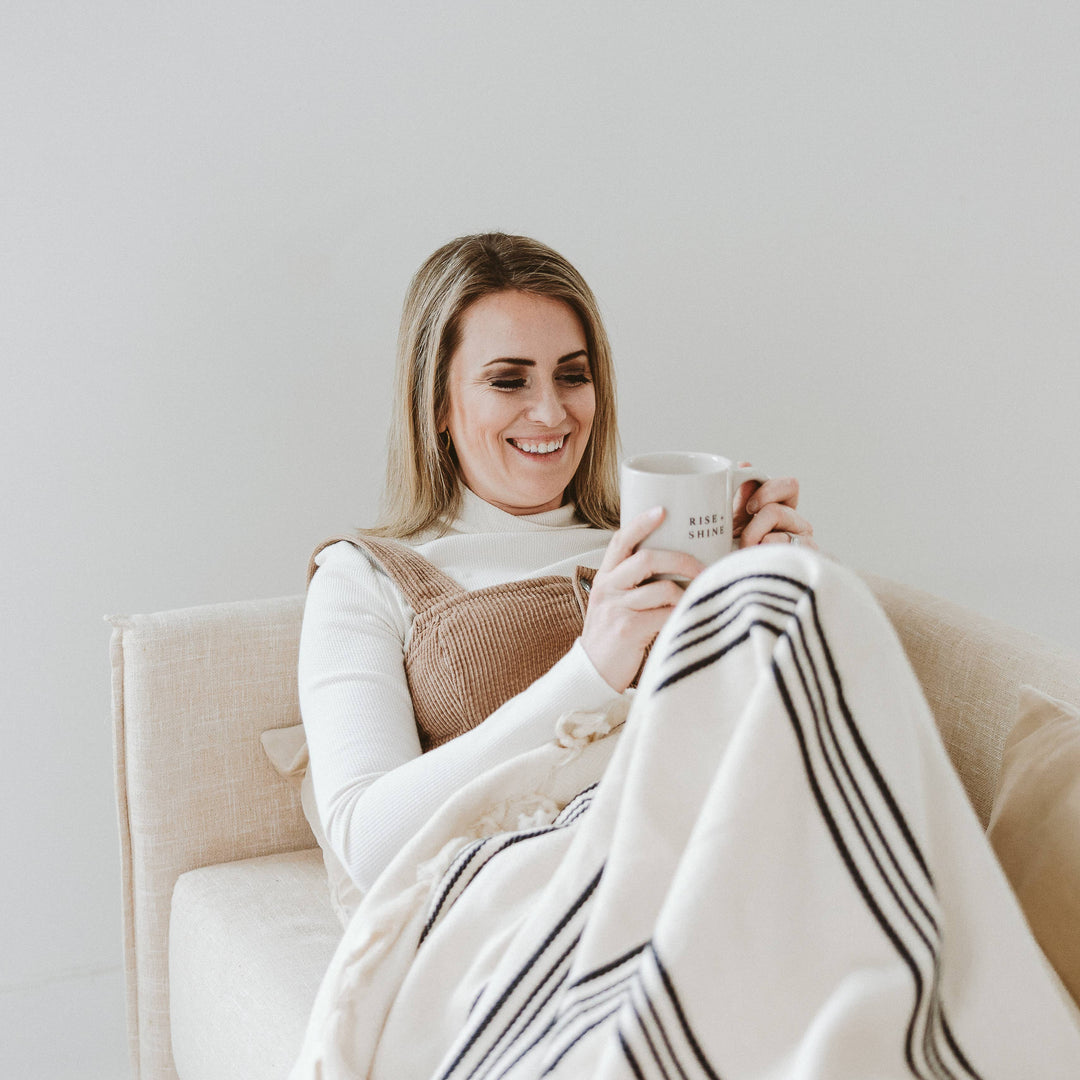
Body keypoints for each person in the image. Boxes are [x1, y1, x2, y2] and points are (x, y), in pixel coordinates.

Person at [295, 234, 1080, 1079]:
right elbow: (367, 840)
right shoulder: (365, 578)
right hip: (545, 873)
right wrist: (591, 669)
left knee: (805, 591)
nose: (551, 412)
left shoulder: (656, 547)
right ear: (438, 404)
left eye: (572, 375)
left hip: (722, 820)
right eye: (508, 380)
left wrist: (761, 586)